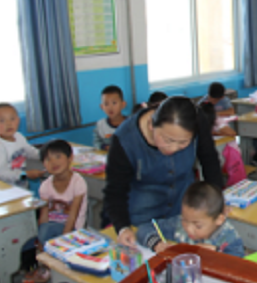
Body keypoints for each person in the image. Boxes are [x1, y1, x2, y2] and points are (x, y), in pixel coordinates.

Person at [103, 96, 224, 246]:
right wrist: (123, 227)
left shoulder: (195, 119)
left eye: (183, 142)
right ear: (151, 125)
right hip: (142, 223)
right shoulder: (125, 139)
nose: (173, 148)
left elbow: (210, 161)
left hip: (184, 217)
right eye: (167, 140)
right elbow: (115, 191)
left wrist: (217, 203)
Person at [24, 140, 88, 283]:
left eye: (58, 156)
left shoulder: (78, 182)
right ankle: (47, 267)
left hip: (73, 228)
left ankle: (56, 268)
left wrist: (63, 240)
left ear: (70, 158)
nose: (53, 162)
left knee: (55, 241)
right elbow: (44, 215)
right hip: (53, 227)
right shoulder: (45, 186)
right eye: (48, 159)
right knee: (43, 232)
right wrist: (41, 241)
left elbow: (73, 215)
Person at [137, 181, 244, 257]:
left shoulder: (229, 236)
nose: (188, 229)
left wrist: (216, 253)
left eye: (198, 226)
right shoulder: (177, 224)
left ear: (219, 220)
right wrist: (157, 243)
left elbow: (238, 262)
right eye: (185, 220)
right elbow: (143, 229)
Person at [0, 103, 43, 184]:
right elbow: (0, 173)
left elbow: (30, 151)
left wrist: (46, 156)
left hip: (21, 183)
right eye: (2, 121)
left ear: (18, 121)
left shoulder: (19, 136)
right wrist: (25, 174)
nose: (8, 124)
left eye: (12, 119)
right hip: (6, 187)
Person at [94, 85, 127, 151]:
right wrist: (105, 147)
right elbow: (97, 142)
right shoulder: (100, 125)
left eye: (114, 103)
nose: (110, 107)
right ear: (102, 107)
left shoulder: (131, 123)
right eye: (106, 104)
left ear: (123, 104)